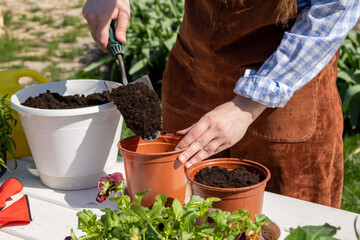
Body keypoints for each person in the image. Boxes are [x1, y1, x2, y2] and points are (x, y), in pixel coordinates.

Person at [82, 0, 360, 208]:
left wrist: (248, 105)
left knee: (280, 221)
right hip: (194, 72)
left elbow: (335, 9)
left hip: (285, 88)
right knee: (172, 214)